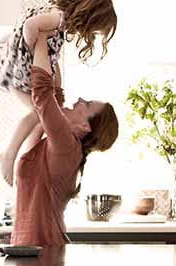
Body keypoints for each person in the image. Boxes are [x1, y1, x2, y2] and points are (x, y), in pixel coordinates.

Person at [9, 34, 119, 247]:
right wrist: (51, 47)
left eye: (85, 104)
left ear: (85, 127)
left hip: (44, 257)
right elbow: (52, 100)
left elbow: (43, 95)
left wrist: (41, 36)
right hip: (32, 254)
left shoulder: (67, 146)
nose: (78, 100)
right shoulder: (58, 144)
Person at [0, 0, 117, 185]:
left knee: (41, 119)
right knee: (39, 114)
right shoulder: (58, 19)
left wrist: (49, 67)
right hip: (19, 70)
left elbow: (49, 50)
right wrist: (32, 51)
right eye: (95, 30)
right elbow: (29, 26)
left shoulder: (61, 22)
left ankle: (24, 161)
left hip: (19, 68)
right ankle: (9, 155)